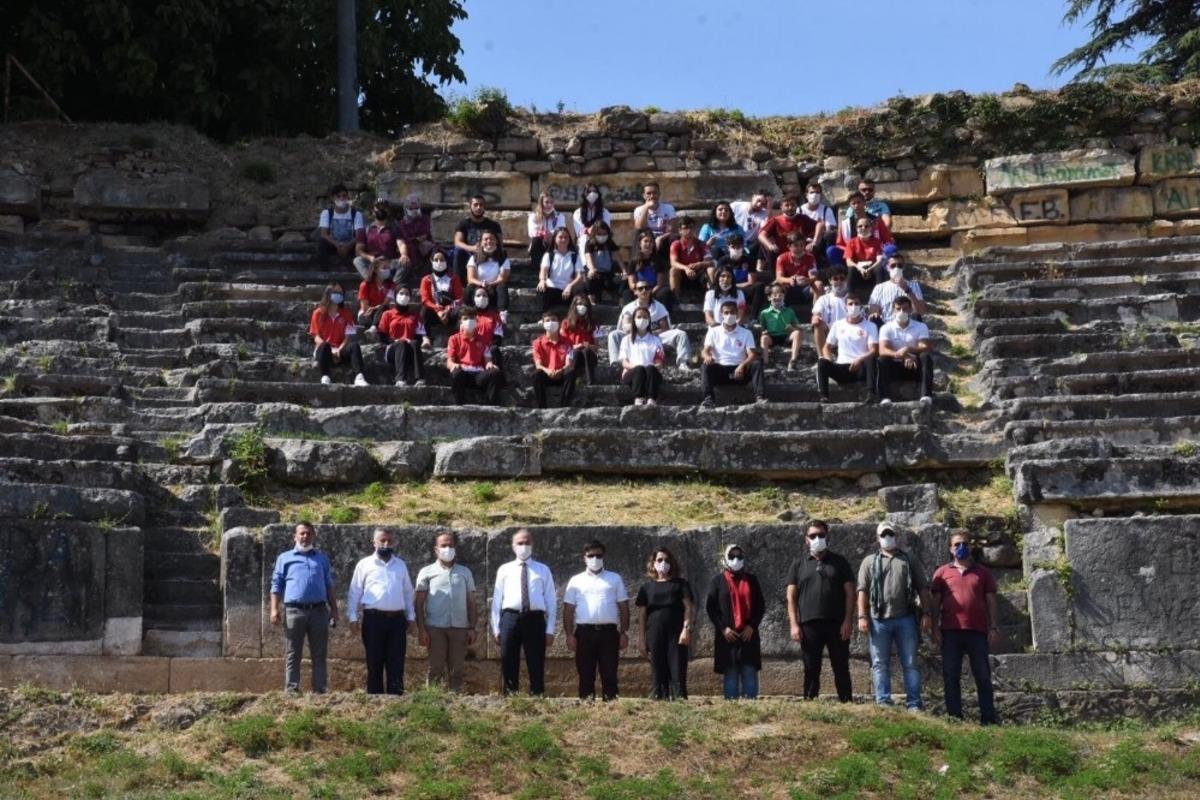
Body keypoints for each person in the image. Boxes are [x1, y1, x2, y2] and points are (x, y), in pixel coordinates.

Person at [857, 522, 934, 710]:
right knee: (879, 663)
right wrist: (862, 616)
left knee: (910, 663)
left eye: (890, 533)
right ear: (877, 538)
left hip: (905, 618)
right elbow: (862, 591)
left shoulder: (908, 559)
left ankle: (914, 704)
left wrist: (927, 613)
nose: (887, 537)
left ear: (896, 535)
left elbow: (923, 588)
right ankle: (883, 702)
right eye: (883, 534)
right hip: (878, 620)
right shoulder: (869, 562)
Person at [931, 531, 1001, 725]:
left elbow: (991, 600)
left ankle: (988, 719)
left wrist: (993, 627)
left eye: (965, 543)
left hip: (977, 631)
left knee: (983, 676)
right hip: (950, 631)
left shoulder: (982, 572)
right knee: (951, 675)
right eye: (957, 544)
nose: (961, 547)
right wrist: (934, 628)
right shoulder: (942, 572)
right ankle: (955, 718)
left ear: (970, 547)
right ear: (951, 549)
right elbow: (935, 602)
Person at [786, 520, 854, 702]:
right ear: (806, 540)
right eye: (813, 536)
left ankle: (846, 702)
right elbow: (791, 596)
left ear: (827, 536)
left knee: (841, 666)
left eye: (821, 535)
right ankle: (810, 702)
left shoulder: (840, 562)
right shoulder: (798, 565)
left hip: (837, 624)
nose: (817, 539)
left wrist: (848, 620)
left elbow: (850, 592)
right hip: (809, 625)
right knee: (810, 667)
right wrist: (794, 624)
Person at [270, 522, 338, 693]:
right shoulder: (284, 558)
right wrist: (274, 609)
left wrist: (334, 611)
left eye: (308, 533)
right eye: (301, 533)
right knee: (293, 653)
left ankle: (320, 690)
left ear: (313, 536)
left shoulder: (321, 559)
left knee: (319, 653)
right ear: (295, 536)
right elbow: (276, 585)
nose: (305, 537)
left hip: (319, 611)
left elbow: (329, 585)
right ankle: (292, 690)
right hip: (294, 611)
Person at [346, 528, 415, 695]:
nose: (386, 544)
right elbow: (355, 591)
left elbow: (407, 592)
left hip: (397, 620)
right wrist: (352, 617)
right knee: (374, 663)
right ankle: (375, 702)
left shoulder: (400, 565)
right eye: (382, 540)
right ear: (374, 542)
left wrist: (411, 617)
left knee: (396, 663)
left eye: (389, 541)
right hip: (373, 620)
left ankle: (396, 702)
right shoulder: (364, 564)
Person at [491, 528, 556, 695]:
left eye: (527, 542)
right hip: (510, 618)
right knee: (508, 660)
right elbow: (497, 599)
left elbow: (551, 600)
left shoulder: (543, 570)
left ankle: (538, 696)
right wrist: (496, 628)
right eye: (520, 543)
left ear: (532, 544)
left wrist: (550, 629)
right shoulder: (504, 569)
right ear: (513, 546)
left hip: (535, 619)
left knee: (536, 661)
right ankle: (511, 698)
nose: (524, 546)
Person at [563, 540, 630, 701]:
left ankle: (611, 706)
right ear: (584, 558)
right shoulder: (576, 580)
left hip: (608, 633)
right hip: (584, 633)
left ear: (604, 556)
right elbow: (568, 610)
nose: (594, 559)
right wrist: (569, 635)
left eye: (598, 555)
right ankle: (587, 707)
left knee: (610, 673)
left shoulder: (614, 579)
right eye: (590, 555)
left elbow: (624, 607)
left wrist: (623, 633)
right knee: (585, 673)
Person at [414, 531, 477, 692]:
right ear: (436, 549)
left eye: (450, 545)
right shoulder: (426, 572)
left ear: (455, 547)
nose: (447, 548)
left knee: (457, 669)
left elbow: (471, 602)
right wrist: (421, 629)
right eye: (443, 545)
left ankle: (456, 701)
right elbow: (418, 603)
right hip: (435, 628)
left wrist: (472, 627)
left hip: (460, 628)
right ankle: (432, 700)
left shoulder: (465, 572)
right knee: (435, 667)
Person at [705, 544, 765, 700]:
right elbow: (711, 608)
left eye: (739, 556)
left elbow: (760, 606)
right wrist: (723, 628)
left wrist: (752, 626)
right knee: (731, 674)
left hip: (748, 635)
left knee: (749, 672)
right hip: (728, 637)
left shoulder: (752, 580)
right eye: (732, 556)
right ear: (725, 559)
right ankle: (732, 709)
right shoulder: (717, 581)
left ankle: (751, 706)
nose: (736, 559)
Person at [635, 546, 693, 700]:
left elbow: (688, 608)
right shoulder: (646, 588)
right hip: (655, 633)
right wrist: (641, 639)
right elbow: (642, 615)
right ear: (653, 563)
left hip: (676, 632)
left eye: (666, 560)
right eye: (659, 560)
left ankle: (679, 701)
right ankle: (659, 700)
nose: (663, 563)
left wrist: (686, 629)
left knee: (677, 669)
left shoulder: (681, 584)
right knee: (658, 669)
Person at [608, 282, 692, 372]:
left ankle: (683, 362)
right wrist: (639, 330)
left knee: (681, 334)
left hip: (655, 336)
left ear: (651, 290)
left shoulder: (659, 307)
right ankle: (615, 365)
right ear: (635, 292)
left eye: (647, 288)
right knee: (614, 335)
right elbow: (625, 327)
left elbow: (665, 328)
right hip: (633, 337)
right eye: (640, 288)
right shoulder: (629, 308)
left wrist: (649, 333)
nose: (644, 290)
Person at [700, 300, 764, 408]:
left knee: (757, 364)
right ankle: (708, 399)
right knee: (705, 366)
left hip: (740, 371)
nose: (729, 315)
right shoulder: (713, 331)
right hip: (720, 369)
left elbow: (752, 354)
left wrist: (742, 365)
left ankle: (760, 397)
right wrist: (707, 357)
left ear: (737, 313)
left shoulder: (746, 333)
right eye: (726, 312)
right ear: (721, 314)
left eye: (732, 312)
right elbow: (705, 350)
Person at [817, 296, 879, 403]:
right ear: (846, 307)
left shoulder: (870, 326)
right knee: (822, 362)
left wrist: (860, 360)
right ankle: (824, 396)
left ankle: (871, 393)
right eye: (850, 304)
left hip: (861, 368)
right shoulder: (838, 325)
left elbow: (874, 350)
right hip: (843, 368)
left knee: (871, 360)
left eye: (856, 303)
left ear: (861, 307)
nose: (853, 306)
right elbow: (827, 347)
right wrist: (828, 358)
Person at [878, 296, 934, 403]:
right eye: (898, 309)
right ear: (893, 310)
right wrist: (903, 355)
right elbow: (883, 350)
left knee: (925, 356)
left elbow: (925, 346)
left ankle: (926, 395)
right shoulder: (886, 328)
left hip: (915, 366)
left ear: (910, 310)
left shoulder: (920, 326)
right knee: (882, 359)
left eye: (905, 308)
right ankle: (885, 397)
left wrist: (908, 349)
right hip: (895, 366)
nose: (901, 312)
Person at [309, 282, 367, 386]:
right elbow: (315, 336)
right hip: (324, 350)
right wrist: (331, 350)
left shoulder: (347, 314)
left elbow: (348, 336)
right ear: (328, 293)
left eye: (341, 292)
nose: (339, 294)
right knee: (324, 346)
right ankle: (325, 376)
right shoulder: (318, 313)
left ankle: (359, 377)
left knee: (354, 346)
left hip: (340, 349)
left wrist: (339, 349)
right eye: (336, 292)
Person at [447, 307, 506, 405]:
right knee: (456, 374)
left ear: (476, 321)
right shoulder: (454, 339)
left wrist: (490, 364)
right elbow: (449, 361)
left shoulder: (482, 339)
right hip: (464, 373)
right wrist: (453, 365)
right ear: (460, 322)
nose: (469, 321)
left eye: (472, 318)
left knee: (495, 373)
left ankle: (492, 407)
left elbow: (487, 359)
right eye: (465, 319)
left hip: (478, 374)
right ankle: (459, 405)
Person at [532, 310, 580, 409]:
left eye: (553, 320)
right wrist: (548, 370)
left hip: (562, 374)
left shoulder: (568, 342)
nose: (551, 322)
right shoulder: (537, 343)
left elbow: (569, 363)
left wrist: (560, 370)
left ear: (558, 322)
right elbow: (538, 364)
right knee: (537, 374)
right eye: (547, 320)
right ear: (543, 324)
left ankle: (564, 405)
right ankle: (542, 407)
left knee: (571, 372)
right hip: (547, 374)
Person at [378, 289, 426, 387]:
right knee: (401, 343)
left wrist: (411, 340)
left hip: (409, 349)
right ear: (396, 295)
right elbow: (382, 336)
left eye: (407, 294)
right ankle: (400, 379)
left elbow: (419, 335)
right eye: (401, 293)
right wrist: (395, 340)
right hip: (393, 349)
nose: (404, 296)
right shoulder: (387, 314)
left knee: (415, 343)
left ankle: (420, 379)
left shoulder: (415, 315)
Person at [619, 305, 666, 406]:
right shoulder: (626, 340)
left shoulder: (656, 340)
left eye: (645, 317)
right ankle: (639, 397)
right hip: (632, 373)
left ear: (649, 320)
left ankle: (651, 398)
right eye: (639, 317)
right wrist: (636, 367)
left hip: (650, 374)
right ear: (634, 320)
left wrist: (651, 367)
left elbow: (660, 362)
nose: (642, 319)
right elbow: (624, 362)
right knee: (640, 369)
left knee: (650, 368)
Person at [757, 194, 815, 273]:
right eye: (787, 205)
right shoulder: (775, 220)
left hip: (801, 252)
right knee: (768, 247)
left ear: (797, 206)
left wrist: (814, 241)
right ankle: (773, 275)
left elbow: (820, 225)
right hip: (781, 255)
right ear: (781, 207)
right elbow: (761, 235)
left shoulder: (803, 218)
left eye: (793, 205)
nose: (790, 207)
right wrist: (770, 245)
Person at [452, 194, 503, 283]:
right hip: (469, 253)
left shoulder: (493, 225)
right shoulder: (463, 224)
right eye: (475, 205)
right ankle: (458, 285)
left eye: (481, 205)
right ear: (470, 206)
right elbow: (457, 242)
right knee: (458, 251)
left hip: (488, 253)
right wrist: (472, 248)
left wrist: (485, 249)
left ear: (484, 207)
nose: (478, 207)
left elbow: (500, 243)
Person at [868, 253, 927, 324]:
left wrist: (907, 290)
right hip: (887, 327)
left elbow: (921, 311)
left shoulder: (914, 285)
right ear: (887, 268)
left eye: (899, 266)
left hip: (909, 327)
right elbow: (873, 313)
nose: (896, 268)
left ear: (903, 268)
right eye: (893, 266)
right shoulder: (879, 288)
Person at [316, 183, 365, 268]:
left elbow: (359, 235)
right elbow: (324, 234)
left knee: (361, 243)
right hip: (334, 245)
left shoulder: (356, 214)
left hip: (351, 245)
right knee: (321, 242)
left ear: (347, 197)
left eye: (344, 196)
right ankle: (324, 270)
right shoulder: (326, 213)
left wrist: (347, 246)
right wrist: (337, 245)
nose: (341, 198)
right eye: (338, 196)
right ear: (333, 198)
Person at [715, 233, 764, 317]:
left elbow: (751, 281)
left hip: (742, 289)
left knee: (759, 286)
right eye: (733, 247)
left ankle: (753, 318)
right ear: (728, 247)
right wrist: (730, 286)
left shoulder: (749, 260)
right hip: (726, 290)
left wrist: (734, 285)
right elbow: (719, 279)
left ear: (742, 247)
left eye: (738, 247)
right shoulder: (722, 261)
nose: (736, 250)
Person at [538, 226, 585, 313]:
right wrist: (542, 280)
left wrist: (570, 286)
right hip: (552, 288)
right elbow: (543, 270)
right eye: (560, 237)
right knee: (541, 289)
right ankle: (545, 315)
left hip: (567, 290)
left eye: (566, 237)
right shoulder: (549, 255)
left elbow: (580, 276)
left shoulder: (575, 256)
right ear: (555, 239)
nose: (563, 239)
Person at [668, 216, 715, 301]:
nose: (689, 230)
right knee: (673, 270)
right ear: (680, 231)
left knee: (711, 269)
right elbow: (673, 262)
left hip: (698, 274)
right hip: (683, 275)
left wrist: (699, 264)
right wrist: (686, 268)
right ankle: (675, 299)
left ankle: (712, 297)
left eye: (691, 227)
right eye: (685, 228)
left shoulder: (701, 244)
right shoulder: (676, 244)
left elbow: (709, 261)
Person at [759, 284, 803, 372]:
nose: (777, 297)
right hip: (772, 337)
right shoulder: (764, 313)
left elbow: (799, 328)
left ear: (784, 297)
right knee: (764, 338)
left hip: (786, 337)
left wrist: (793, 329)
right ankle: (766, 363)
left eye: (780, 295)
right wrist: (764, 332)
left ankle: (793, 361)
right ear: (769, 297)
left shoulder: (789, 311)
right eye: (774, 295)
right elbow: (762, 328)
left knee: (797, 333)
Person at [465, 229, 511, 315]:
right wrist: (481, 284)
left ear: (496, 241)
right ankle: (468, 312)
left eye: (491, 239)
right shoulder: (474, 258)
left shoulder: (503, 258)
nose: (488, 241)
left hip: (494, 289)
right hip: (479, 288)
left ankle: (502, 313)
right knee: (469, 288)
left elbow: (502, 278)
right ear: (481, 242)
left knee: (502, 286)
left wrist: (490, 284)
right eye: (485, 239)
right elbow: (470, 278)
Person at [419, 251, 463, 340]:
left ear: (446, 261)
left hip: (450, 312)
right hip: (434, 312)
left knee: (461, 311)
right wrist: (438, 310)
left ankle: (460, 338)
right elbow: (425, 299)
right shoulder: (426, 279)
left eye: (442, 260)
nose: (439, 262)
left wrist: (447, 310)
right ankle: (426, 338)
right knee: (424, 310)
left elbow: (459, 298)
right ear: (431, 261)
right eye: (436, 260)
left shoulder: (454, 278)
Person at [623, 230, 672, 307]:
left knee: (665, 292)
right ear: (640, 244)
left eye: (651, 242)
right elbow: (632, 284)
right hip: (639, 290)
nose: (648, 244)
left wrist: (648, 292)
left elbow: (659, 284)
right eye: (645, 241)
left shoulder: (658, 261)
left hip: (653, 291)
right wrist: (641, 291)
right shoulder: (633, 262)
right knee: (627, 293)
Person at [844, 217, 890, 300]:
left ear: (871, 228)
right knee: (851, 269)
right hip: (858, 270)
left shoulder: (877, 242)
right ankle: (851, 297)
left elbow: (879, 260)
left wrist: (869, 269)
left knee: (879, 269)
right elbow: (848, 261)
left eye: (866, 226)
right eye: (860, 226)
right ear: (856, 228)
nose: (863, 228)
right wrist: (860, 268)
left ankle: (880, 297)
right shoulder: (851, 242)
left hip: (872, 270)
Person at [354, 199, 400, 281]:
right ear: (373, 211)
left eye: (384, 207)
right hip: (372, 262)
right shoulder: (365, 230)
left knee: (405, 262)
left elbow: (401, 244)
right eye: (378, 207)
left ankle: (394, 284)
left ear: (388, 211)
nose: (381, 210)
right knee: (357, 260)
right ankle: (370, 279)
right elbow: (358, 250)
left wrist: (404, 254)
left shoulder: (395, 229)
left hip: (389, 262)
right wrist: (370, 258)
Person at [528, 192, 572, 277]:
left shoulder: (559, 216)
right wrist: (543, 234)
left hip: (553, 242)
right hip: (540, 243)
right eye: (546, 202)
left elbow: (561, 230)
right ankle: (537, 268)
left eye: (551, 202)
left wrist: (551, 234)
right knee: (535, 240)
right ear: (541, 203)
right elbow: (532, 232)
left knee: (560, 239)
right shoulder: (533, 216)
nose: (549, 205)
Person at [774, 232, 821, 308]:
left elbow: (814, 276)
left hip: (805, 288)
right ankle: (780, 312)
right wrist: (790, 280)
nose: (799, 248)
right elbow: (779, 278)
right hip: (788, 289)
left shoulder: (810, 257)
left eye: (802, 245)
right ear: (789, 246)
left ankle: (815, 313)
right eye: (796, 245)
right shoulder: (782, 258)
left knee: (819, 284)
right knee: (777, 286)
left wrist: (807, 280)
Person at [811, 264, 850, 357]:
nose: (839, 281)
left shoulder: (853, 299)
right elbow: (816, 313)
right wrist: (816, 317)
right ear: (830, 281)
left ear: (846, 280)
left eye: (842, 278)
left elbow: (858, 317)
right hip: (828, 333)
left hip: (847, 333)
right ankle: (822, 357)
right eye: (835, 279)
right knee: (817, 323)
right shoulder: (823, 299)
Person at [394, 193, 437, 276]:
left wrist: (415, 239)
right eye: (411, 208)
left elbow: (425, 236)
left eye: (416, 207)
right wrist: (404, 254)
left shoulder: (426, 220)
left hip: (425, 252)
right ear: (406, 208)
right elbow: (401, 241)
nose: (414, 210)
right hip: (408, 252)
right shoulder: (401, 224)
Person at [632, 181, 677, 260]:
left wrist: (659, 238)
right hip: (647, 238)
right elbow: (639, 228)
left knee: (673, 238)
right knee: (638, 236)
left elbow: (671, 230)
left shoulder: (668, 208)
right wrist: (646, 208)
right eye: (649, 193)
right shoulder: (639, 210)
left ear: (659, 194)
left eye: (655, 193)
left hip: (663, 238)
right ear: (644, 196)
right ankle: (636, 265)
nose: (652, 196)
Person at [562, 295, 600, 386]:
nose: (582, 307)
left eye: (585, 304)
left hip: (589, 356)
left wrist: (589, 346)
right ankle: (570, 381)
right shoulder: (566, 323)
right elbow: (562, 346)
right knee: (576, 352)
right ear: (574, 306)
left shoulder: (594, 324)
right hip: (572, 355)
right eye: (579, 304)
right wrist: (575, 346)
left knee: (586, 351)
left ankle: (591, 383)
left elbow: (597, 347)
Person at [582, 220, 622, 304]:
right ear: (594, 234)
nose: (602, 236)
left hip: (607, 273)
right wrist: (592, 269)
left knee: (621, 281)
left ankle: (619, 299)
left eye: (604, 234)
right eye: (599, 234)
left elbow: (618, 257)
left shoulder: (610, 243)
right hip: (595, 273)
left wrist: (624, 271)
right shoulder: (590, 243)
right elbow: (588, 257)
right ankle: (591, 298)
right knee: (588, 276)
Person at [730, 189, 773, 262]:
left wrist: (769, 208)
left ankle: (760, 268)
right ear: (753, 197)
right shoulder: (735, 206)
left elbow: (766, 229)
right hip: (732, 241)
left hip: (750, 246)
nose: (759, 205)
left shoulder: (763, 214)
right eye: (758, 200)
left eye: (763, 204)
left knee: (765, 240)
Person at [800, 184, 838, 263]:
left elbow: (829, 228)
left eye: (817, 192)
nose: (815, 195)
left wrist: (815, 240)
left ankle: (828, 261)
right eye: (812, 192)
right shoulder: (800, 210)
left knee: (830, 235)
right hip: (803, 240)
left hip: (820, 240)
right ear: (806, 195)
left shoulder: (826, 210)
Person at [573, 183, 611, 257]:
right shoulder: (578, 212)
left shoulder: (605, 212)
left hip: (600, 236)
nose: (592, 194)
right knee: (584, 239)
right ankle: (586, 266)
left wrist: (595, 230)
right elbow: (579, 231)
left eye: (594, 191)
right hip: (585, 237)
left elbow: (607, 228)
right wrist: (588, 231)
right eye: (589, 191)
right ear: (585, 194)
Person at [356, 259, 395, 331]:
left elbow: (387, 304)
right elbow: (364, 308)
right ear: (376, 270)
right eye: (384, 268)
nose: (387, 270)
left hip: (383, 312)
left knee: (384, 310)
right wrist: (377, 308)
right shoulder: (365, 285)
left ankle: (373, 328)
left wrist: (377, 307)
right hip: (366, 314)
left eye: (388, 268)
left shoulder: (391, 285)